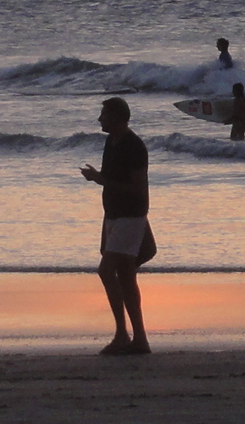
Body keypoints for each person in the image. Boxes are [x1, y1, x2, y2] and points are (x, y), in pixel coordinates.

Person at [79, 97, 153, 355]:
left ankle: (123, 334)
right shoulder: (110, 142)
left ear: (117, 117)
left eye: (104, 115)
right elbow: (110, 180)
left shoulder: (134, 146)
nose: (100, 119)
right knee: (126, 277)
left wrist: (99, 179)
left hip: (130, 217)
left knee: (106, 271)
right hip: (113, 215)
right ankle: (139, 339)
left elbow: (138, 188)